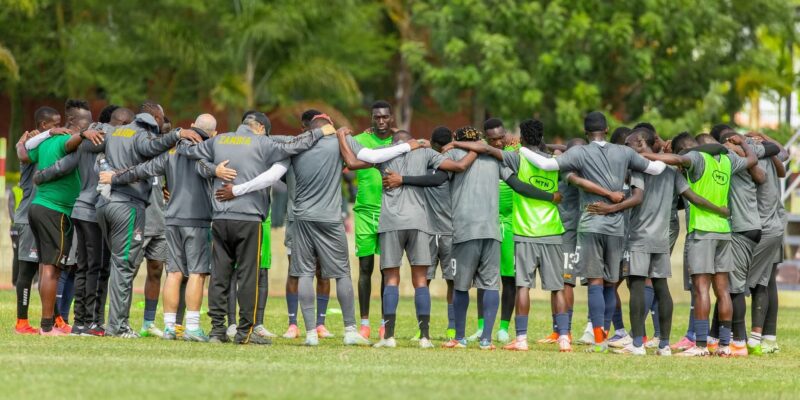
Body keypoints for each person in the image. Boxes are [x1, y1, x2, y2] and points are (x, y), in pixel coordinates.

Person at [516, 111, 668, 353]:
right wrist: (659, 152)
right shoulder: (625, 152)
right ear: (607, 129)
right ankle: (606, 333)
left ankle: (598, 341)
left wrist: (521, 148)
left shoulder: (579, 152)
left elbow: (545, 164)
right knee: (610, 284)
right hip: (616, 228)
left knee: (595, 282)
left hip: (590, 225)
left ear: (585, 132)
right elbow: (657, 168)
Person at [179, 111, 332, 344]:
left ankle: (217, 331)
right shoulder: (263, 143)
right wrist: (321, 132)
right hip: (249, 219)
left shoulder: (219, 140)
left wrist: (212, 168)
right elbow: (294, 145)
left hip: (220, 218)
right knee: (248, 276)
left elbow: (189, 152)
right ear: (260, 128)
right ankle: (245, 332)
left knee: (219, 276)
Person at [341, 129, 482, 349]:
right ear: (412, 142)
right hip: (418, 222)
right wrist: (477, 148)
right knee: (420, 280)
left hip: (391, 222)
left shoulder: (384, 153)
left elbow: (352, 160)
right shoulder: (425, 153)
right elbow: (459, 166)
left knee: (391, 279)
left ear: (394, 143)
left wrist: (342, 135)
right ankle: (425, 338)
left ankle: (389, 337)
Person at [434, 126, 559, 350]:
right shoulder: (495, 160)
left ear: (458, 139)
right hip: (492, 231)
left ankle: (459, 338)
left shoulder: (453, 153)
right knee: (491, 285)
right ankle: (486, 340)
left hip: (465, 231)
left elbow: (438, 179)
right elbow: (519, 186)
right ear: (480, 139)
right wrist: (549, 196)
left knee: (461, 286)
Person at [100, 113, 219, 342]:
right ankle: (193, 328)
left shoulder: (171, 152)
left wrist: (113, 177)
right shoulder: (208, 150)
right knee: (197, 272)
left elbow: (141, 170)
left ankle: (169, 328)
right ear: (214, 133)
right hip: (197, 218)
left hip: (171, 219)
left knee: (173, 273)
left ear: (192, 126)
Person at [663, 132, 757, 356]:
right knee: (723, 290)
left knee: (701, 288)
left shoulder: (695, 161)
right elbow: (752, 160)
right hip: (724, 231)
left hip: (702, 231)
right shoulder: (727, 161)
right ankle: (724, 345)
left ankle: (701, 346)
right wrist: (743, 143)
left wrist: (646, 155)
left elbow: (678, 165)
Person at [382, 126, 458, 340]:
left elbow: (437, 179)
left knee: (426, 280)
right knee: (426, 280)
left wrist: (402, 178)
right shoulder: (426, 159)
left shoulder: (436, 160)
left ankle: (449, 328)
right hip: (427, 228)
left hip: (442, 230)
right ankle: (425, 332)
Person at [25, 107, 85, 336]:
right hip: (54, 211)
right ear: (75, 125)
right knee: (52, 270)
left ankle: (47, 323)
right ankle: (47, 326)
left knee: (45, 267)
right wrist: (82, 135)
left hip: (39, 207)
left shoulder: (44, 142)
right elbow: (71, 144)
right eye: (86, 125)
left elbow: (25, 154)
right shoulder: (64, 140)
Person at [281, 109, 333, 340]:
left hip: (324, 221)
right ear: (305, 129)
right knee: (295, 272)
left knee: (323, 272)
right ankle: (293, 324)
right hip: (296, 220)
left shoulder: (331, 151)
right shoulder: (293, 149)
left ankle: (320, 323)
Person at [13, 107, 66, 335]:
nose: (59, 127)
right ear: (44, 125)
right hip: (28, 218)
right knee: (27, 271)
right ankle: (21, 322)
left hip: (45, 215)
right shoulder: (32, 145)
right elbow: (22, 151)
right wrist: (24, 142)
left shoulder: (49, 145)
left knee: (49, 268)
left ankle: (57, 319)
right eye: (55, 124)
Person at [353, 100, 396, 339]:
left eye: (385, 117)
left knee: (386, 269)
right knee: (365, 268)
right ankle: (365, 323)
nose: (381, 121)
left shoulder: (399, 140)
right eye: (377, 117)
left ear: (391, 118)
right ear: (372, 118)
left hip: (390, 212)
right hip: (364, 213)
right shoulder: (360, 139)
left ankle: (383, 323)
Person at [745, 131, 789, 355]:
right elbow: (784, 156)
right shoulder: (770, 157)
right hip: (776, 223)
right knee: (768, 280)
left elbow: (783, 157)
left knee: (759, 281)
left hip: (762, 226)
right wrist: (764, 138)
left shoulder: (750, 158)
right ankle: (768, 337)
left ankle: (756, 337)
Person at [479, 118, 517, 344]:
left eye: (501, 138)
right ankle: (481, 327)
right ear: (486, 138)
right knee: (484, 278)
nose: (498, 142)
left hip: (511, 224)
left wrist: (518, 141)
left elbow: (543, 148)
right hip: (486, 222)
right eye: (493, 139)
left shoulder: (515, 152)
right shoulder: (480, 153)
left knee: (509, 278)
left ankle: (503, 328)